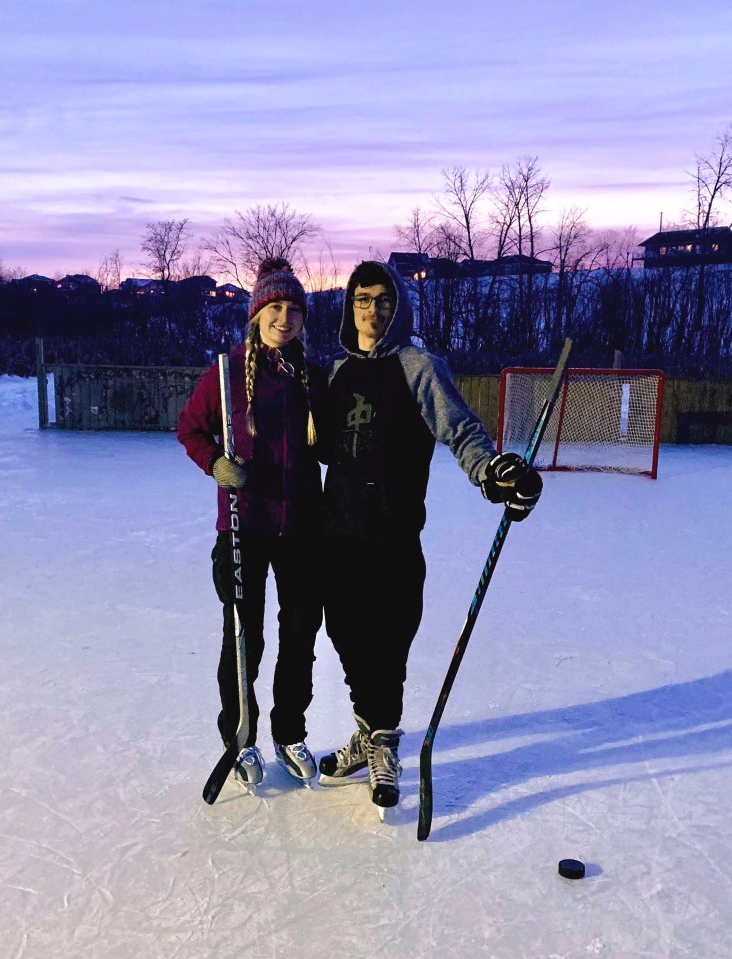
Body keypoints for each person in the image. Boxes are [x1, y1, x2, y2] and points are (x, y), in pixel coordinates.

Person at [317, 260, 543, 809]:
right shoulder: (335, 372)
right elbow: (312, 445)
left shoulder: (419, 367)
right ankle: (368, 731)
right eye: (362, 299)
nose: (373, 309)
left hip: (393, 533)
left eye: (383, 299)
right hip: (338, 533)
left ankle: (383, 743)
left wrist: (490, 472)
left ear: (398, 306)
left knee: (388, 641)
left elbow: (459, 429)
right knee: (345, 635)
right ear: (350, 307)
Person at [178, 258, 326, 790]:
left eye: (294, 309)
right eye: (275, 308)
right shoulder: (227, 373)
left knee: (300, 634)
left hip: (303, 526)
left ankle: (290, 731)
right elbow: (190, 428)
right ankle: (240, 736)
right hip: (244, 527)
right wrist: (216, 461)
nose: (284, 318)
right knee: (245, 636)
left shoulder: (312, 376)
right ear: (257, 313)